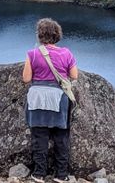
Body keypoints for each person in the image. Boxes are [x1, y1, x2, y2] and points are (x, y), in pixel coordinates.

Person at [22, 18, 78, 183]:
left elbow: (26, 78)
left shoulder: (32, 54)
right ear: (57, 35)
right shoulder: (66, 53)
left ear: (39, 35)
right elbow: (74, 76)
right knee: (61, 136)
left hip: (37, 97)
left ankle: (39, 173)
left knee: (39, 136)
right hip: (58, 97)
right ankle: (61, 175)